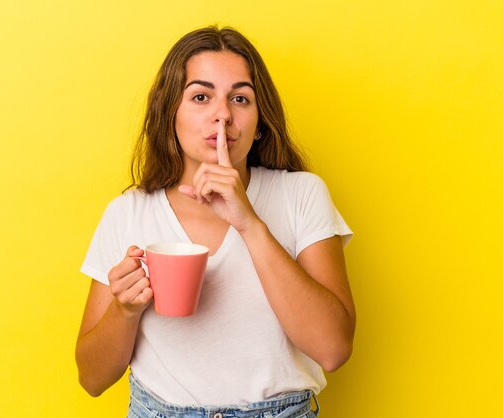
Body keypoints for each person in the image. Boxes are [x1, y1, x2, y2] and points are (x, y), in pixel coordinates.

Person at [76, 25, 356, 418]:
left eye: (240, 98)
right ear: (170, 113)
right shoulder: (128, 213)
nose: (222, 115)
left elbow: (333, 349)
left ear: (259, 122)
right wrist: (124, 311)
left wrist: (250, 225)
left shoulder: (301, 195)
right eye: (201, 97)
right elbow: (91, 378)